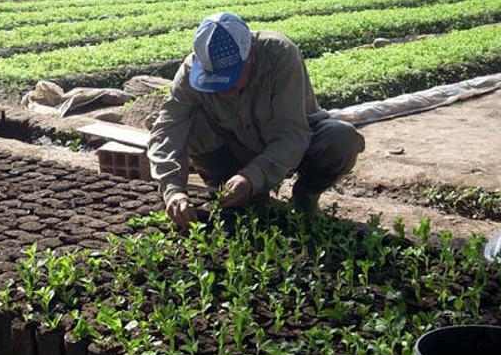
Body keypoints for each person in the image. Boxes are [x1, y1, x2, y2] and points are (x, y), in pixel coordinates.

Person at [147, 13, 365, 229]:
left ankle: (305, 195)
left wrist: (252, 177)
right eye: (213, 81)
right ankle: (224, 189)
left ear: (250, 56)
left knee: (341, 139)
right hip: (233, 148)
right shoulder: (190, 71)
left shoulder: (280, 55)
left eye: (230, 79)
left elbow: (292, 134)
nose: (223, 90)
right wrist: (173, 189)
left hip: (291, 149)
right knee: (188, 122)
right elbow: (167, 129)